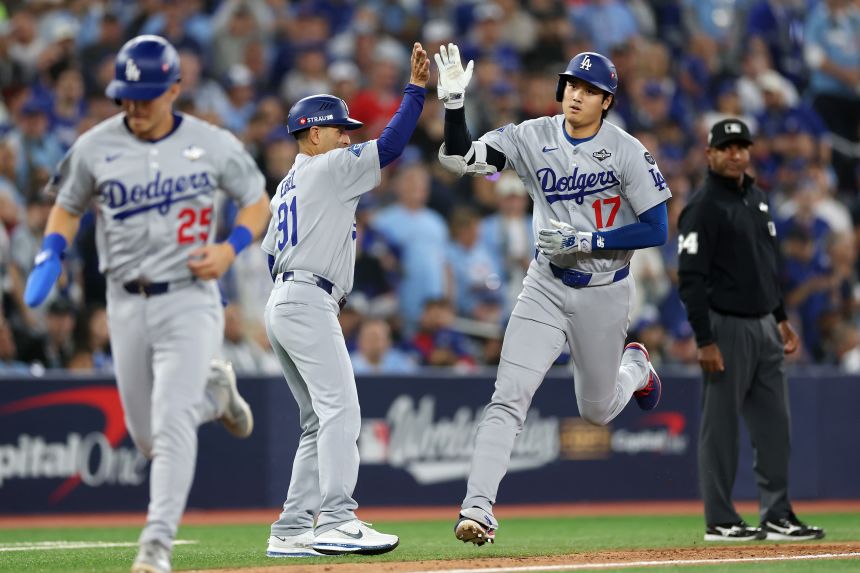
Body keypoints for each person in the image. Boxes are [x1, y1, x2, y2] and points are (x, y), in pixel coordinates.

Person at [21, 35, 271, 573]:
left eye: (147, 95)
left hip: (190, 298)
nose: (134, 106)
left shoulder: (213, 142)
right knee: (147, 437)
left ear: (175, 88)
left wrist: (231, 249)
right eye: (125, 95)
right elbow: (65, 207)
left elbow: (256, 202)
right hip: (125, 302)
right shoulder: (95, 146)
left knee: (173, 420)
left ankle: (156, 547)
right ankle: (217, 393)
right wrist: (50, 251)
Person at [434, 44, 670, 545]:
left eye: (590, 90)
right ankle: (477, 508)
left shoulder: (626, 149)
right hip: (544, 283)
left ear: (607, 101)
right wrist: (454, 105)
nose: (577, 96)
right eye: (572, 86)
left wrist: (591, 240)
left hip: (604, 289)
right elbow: (461, 159)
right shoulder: (531, 135)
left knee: (597, 410)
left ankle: (636, 368)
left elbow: (657, 228)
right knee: (508, 397)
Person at [261, 42, 429, 558]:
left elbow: (271, 257)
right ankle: (335, 518)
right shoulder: (327, 168)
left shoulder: (287, 184)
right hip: (308, 299)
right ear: (313, 132)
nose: (346, 137)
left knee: (317, 419)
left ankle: (290, 529)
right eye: (339, 129)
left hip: (285, 300)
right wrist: (416, 92)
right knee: (342, 412)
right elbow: (393, 144)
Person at [677, 118, 825, 542]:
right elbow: (689, 278)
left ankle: (777, 514)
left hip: (764, 325)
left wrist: (780, 318)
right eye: (726, 147)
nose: (735, 153)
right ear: (710, 154)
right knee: (720, 428)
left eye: (741, 146)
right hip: (725, 328)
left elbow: (766, 268)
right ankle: (719, 519)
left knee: (776, 427)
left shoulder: (758, 199)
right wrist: (704, 339)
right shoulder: (703, 206)